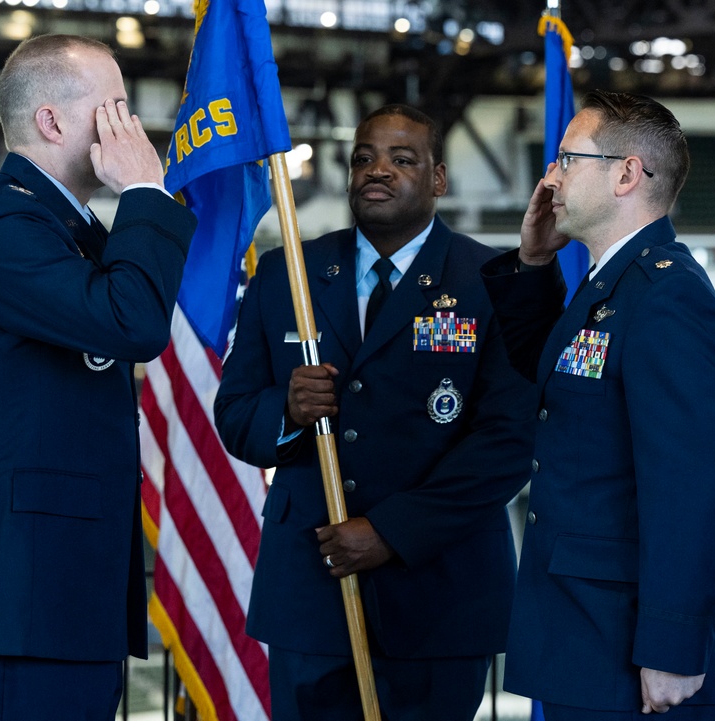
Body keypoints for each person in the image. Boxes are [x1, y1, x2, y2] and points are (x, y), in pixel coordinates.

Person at [213, 104, 536, 721]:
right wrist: (286, 410)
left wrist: (391, 532)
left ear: (439, 179)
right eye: (364, 157)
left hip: (441, 595)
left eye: (402, 159)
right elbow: (233, 412)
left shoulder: (494, 280)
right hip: (310, 593)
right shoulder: (288, 274)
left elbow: (508, 442)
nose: (377, 170)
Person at [0, 34, 196, 720]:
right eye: (114, 110)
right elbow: (133, 320)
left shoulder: (63, 227)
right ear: (51, 122)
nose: (129, 129)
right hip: (21, 605)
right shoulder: (4, 221)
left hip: (63, 599)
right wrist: (142, 188)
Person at [481, 90, 715, 720]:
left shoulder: (666, 295)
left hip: (634, 658)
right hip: (584, 641)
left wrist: (674, 649)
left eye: (567, 159)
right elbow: (552, 376)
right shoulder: (611, 286)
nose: (551, 177)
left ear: (626, 174)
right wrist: (536, 262)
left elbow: (693, 484)